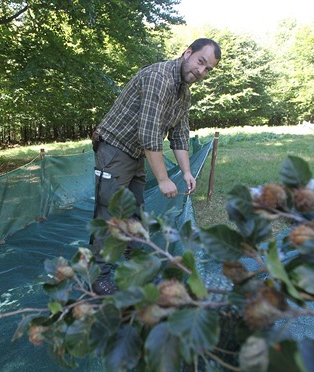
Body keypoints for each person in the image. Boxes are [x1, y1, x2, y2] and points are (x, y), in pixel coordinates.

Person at [90, 38, 222, 295]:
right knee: (109, 214)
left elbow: (180, 134)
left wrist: (186, 172)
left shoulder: (184, 92)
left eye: (208, 69)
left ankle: (135, 265)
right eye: (200, 61)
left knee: (135, 212)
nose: (201, 71)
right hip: (114, 148)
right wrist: (162, 179)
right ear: (188, 53)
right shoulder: (159, 77)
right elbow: (149, 132)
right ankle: (98, 278)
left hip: (137, 153)